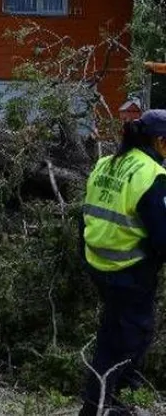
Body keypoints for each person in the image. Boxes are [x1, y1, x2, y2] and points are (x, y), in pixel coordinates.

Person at [79, 110, 166, 415]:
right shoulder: (150, 174)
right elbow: (161, 235)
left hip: (98, 263)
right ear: (160, 141)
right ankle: (100, 405)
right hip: (129, 270)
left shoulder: (105, 163)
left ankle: (107, 401)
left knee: (112, 333)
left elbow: (86, 214)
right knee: (132, 339)